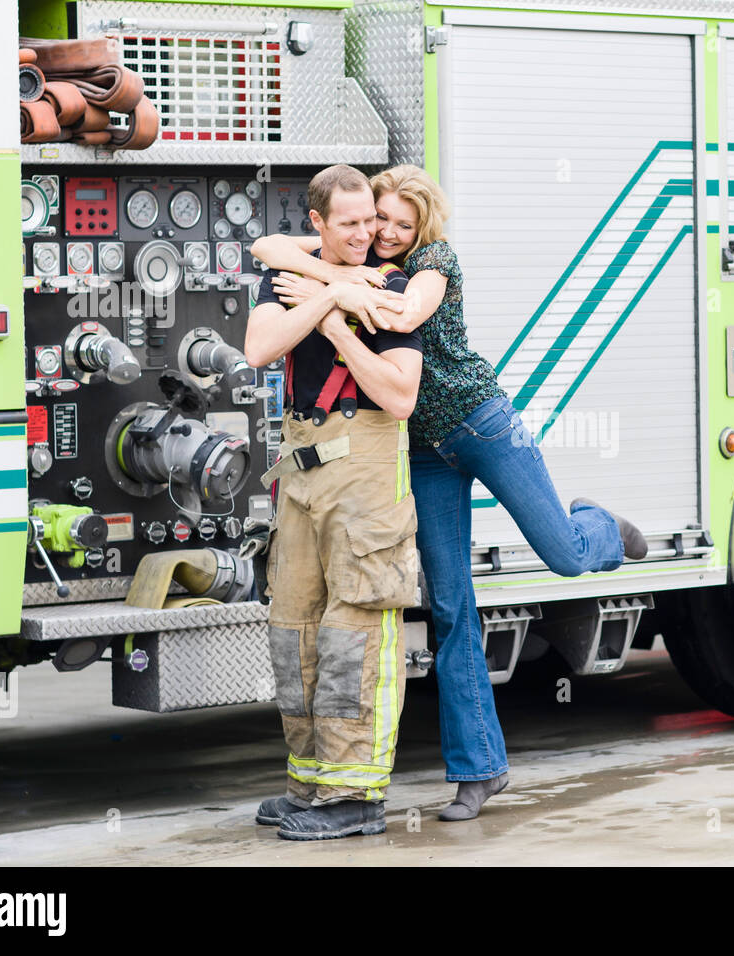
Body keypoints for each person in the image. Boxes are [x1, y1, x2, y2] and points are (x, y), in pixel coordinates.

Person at [252, 165, 648, 823]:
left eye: (401, 224)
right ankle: (479, 771)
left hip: (480, 423)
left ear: (422, 227)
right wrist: (343, 280)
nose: (385, 231)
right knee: (450, 608)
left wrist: (333, 289)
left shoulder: (427, 266)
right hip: (425, 453)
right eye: (378, 219)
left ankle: (599, 526)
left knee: (565, 554)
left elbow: (402, 313)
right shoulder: (363, 266)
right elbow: (269, 250)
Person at [243, 164, 423, 841]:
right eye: (347, 223)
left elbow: (399, 396)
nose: (365, 233)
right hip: (302, 469)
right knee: (294, 627)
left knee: (356, 630)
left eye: (369, 220)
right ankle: (312, 781)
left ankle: (357, 795)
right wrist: (332, 294)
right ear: (316, 224)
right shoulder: (306, 276)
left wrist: (339, 320)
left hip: (366, 468)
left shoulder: (395, 288)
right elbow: (261, 346)